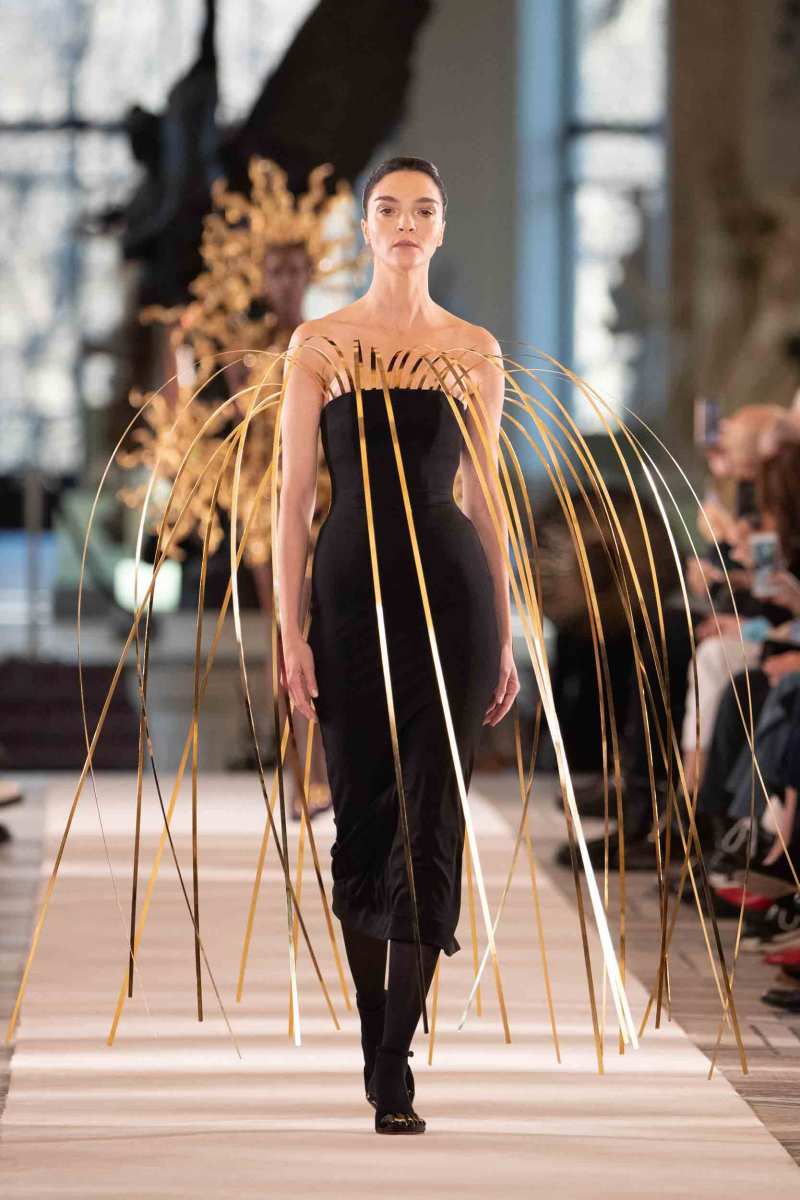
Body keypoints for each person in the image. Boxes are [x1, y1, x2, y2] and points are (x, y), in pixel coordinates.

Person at [275, 156, 519, 1134]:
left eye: (423, 209)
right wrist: (287, 629)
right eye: (388, 208)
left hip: (450, 600)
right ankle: (378, 1034)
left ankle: (393, 1061)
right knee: (363, 815)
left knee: (433, 815)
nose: (406, 222)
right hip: (345, 597)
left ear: (441, 227)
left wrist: (506, 632)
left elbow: (485, 500)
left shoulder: (472, 350)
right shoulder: (320, 344)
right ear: (366, 228)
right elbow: (294, 497)